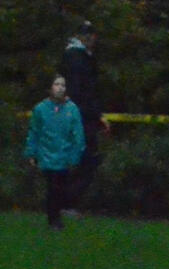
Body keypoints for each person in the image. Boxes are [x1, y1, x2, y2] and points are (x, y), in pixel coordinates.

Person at [24, 75, 85, 229]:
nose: (60, 88)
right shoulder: (40, 109)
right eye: (56, 84)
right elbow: (34, 132)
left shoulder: (72, 109)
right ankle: (54, 220)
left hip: (64, 156)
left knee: (61, 188)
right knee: (53, 187)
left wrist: (75, 156)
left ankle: (57, 215)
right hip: (47, 155)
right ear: (50, 88)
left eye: (63, 85)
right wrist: (31, 153)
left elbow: (77, 135)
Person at [60, 20, 109, 210]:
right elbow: (84, 92)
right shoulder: (78, 59)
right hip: (81, 118)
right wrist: (96, 116)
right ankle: (67, 201)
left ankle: (63, 201)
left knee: (80, 160)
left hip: (76, 116)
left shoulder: (74, 57)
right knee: (87, 160)